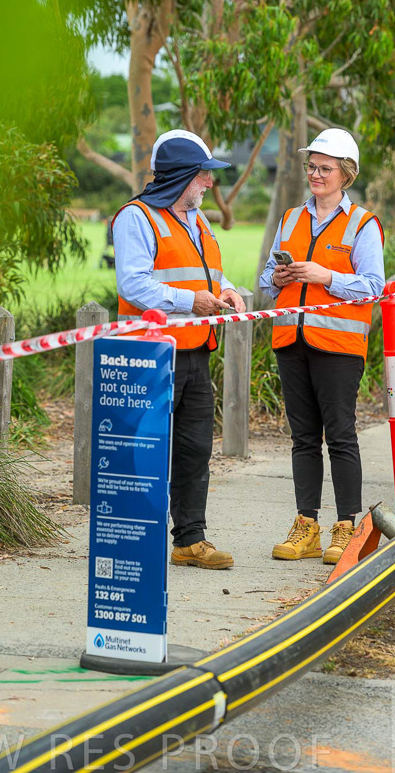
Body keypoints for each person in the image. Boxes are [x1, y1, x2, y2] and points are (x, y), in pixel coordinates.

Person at [112, 129, 246, 570]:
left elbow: (207, 273)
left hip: (195, 351)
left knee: (193, 450)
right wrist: (192, 301)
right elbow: (133, 283)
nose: (209, 182)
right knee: (143, 450)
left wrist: (226, 291)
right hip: (149, 356)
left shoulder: (197, 218)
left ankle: (190, 540)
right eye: (203, 174)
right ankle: (132, 542)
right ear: (180, 175)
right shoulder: (136, 218)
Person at [259, 129, 384, 564]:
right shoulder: (291, 218)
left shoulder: (363, 224)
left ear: (345, 174)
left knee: (341, 436)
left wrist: (325, 276)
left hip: (338, 346)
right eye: (311, 166)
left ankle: (347, 527)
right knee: (303, 439)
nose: (315, 174)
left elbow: (373, 286)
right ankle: (306, 525)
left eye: (324, 168)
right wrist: (278, 277)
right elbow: (266, 280)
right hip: (290, 341)